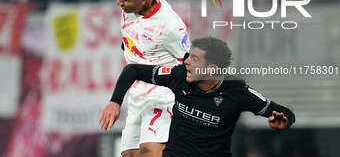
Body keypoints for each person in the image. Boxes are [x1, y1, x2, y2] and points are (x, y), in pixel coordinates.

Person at [99, 37, 295, 157]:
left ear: (211, 69)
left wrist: (283, 121)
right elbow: (133, 69)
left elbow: (284, 113)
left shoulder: (237, 91)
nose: (186, 62)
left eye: (193, 58)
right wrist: (115, 101)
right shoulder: (179, 76)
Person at [100, 0, 190, 157]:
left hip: (164, 99)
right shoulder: (132, 4)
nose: (118, 3)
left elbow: (190, 65)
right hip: (137, 98)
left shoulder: (170, 26)